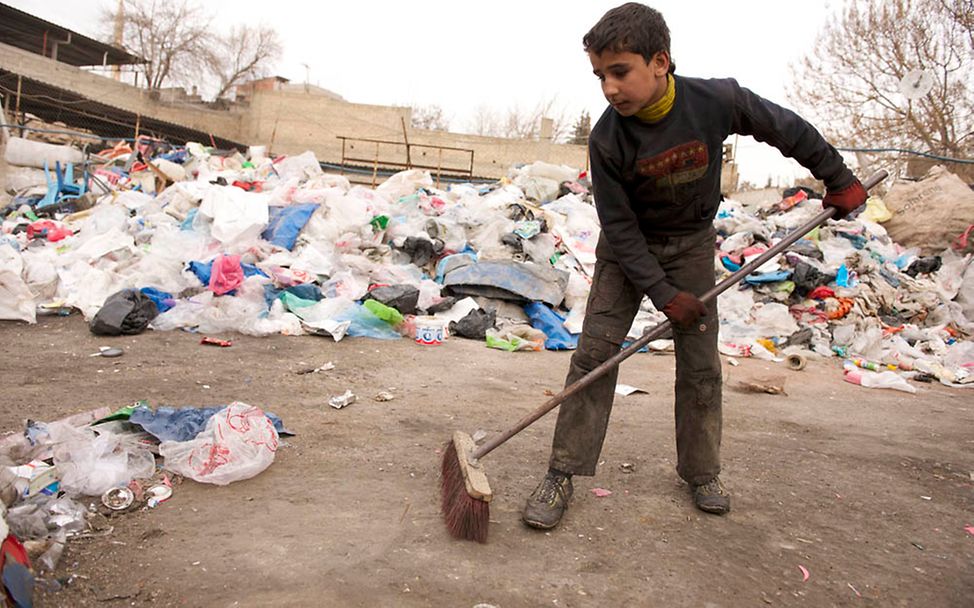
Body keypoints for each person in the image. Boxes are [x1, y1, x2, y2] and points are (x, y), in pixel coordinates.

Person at [522, 2, 867, 530]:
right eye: (600, 76)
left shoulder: (715, 101)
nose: (610, 88)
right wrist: (662, 294)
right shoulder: (607, 139)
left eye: (620, 71)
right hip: (626, 254)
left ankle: (702, 472)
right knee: (594, 356)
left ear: (660, 61)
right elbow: (619, 229)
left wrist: (836, 177)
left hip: (689, 246)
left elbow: (785, 128)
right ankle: (562, 471)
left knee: (702, 364)